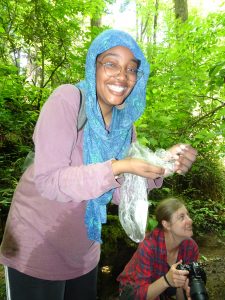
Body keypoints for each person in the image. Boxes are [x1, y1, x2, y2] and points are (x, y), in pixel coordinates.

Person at [0, 29, 197, 300]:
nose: (122, 75)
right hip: (36, 249)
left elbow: (118, 194)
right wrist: (118, 166)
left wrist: (161, 166)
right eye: (111, 63)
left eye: (131, 69)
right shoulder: (67, 100)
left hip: (84, 253)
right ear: (94, 65)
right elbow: (49, 181)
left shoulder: (124, 127)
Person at [117, 197, 199, 300]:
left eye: (188, 215)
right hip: (134, 289)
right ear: (166, 224)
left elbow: (181, 289)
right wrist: (166, 280)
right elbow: (140, 294)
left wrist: (183, 287)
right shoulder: (148, 246)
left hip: (163, 282)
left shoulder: (191, 247)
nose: (190, 220)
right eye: (182, 217)